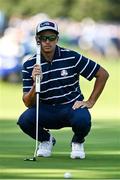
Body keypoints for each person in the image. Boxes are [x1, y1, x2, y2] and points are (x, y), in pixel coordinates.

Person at [17, 20, 109, 159]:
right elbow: (28, 103)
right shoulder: (30, 64)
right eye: (43, 38)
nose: (48, 41)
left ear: (57, 39)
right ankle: (46, 140)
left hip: (70, 107)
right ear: (37, 40)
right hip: (46, 109)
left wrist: (90, 101)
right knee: (24, 120)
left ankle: (77, 141)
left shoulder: (71, 56)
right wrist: (36, 84)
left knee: (83, 119)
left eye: (52, 38)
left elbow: (102, 74)